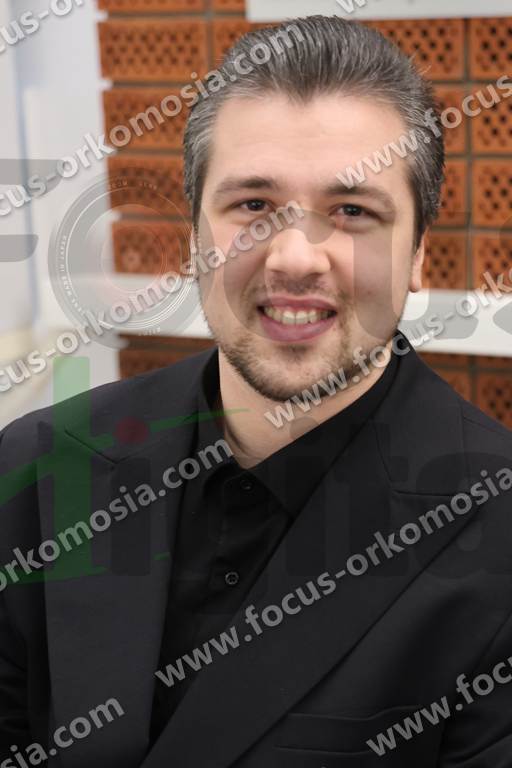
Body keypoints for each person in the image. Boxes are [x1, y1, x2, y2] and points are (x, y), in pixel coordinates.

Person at [1, 14, 511, 768]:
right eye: (252, 206)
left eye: (352, 211)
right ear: (194, 238)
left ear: (416, 255)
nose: (295, 258)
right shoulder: (40, 464)